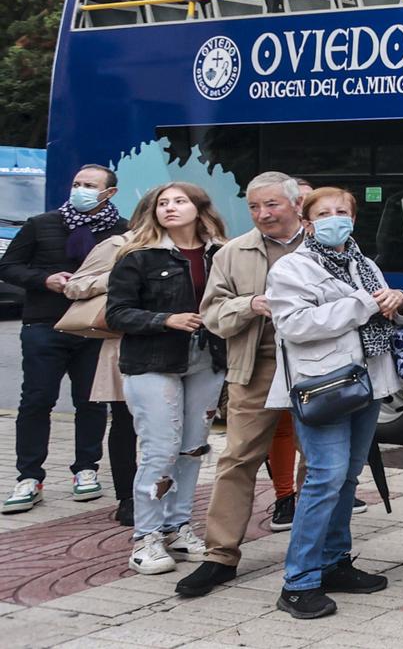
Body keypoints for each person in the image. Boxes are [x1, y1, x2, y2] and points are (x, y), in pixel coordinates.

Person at [264, 186, 403, 618]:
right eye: (324, 213)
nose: (335, 219)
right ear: (308, 223)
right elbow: (294, 324)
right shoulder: (293, 267)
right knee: (325, 477)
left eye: (342, 212)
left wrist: (398, 301)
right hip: (323, 384)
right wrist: (364, 304)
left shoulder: (364, 263)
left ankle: (334, 562)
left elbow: (388, 312)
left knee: (347, 476)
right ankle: (299, 582)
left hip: (365, 383)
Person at [175, 171, 308, 597]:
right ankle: (220, 557)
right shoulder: (233, 253)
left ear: (295, 205)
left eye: (272, 205)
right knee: (236, 460)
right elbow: (212, 314)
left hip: (317, 370)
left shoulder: (326, 244)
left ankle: (322, 552)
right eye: (254, 206)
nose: (263, 214)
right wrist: (249, 305)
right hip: (255, 368)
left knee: (324, 464)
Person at [104, 183, 229, 576]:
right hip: (152, 360)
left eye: (179, 201)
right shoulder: (137, 256)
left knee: (193, 447)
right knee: (160, 447)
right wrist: (165, 320)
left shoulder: (221, 254)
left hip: (206, 358)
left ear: (200, 208)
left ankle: (178, 527)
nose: (170, 208)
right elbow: (116, 313)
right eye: (162, 203)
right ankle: (146, 536)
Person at [1, 163, 126, 516]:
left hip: (95, 327)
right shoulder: (41, 224)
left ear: (109, 193)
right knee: (37, 400)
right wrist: (45, 280)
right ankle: (29, 477)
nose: (80, 189)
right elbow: (8, 267)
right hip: (45, 324)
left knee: (91, 401)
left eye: (89, 185)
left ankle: (86, 470)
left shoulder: (123, 231)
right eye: (77, 183)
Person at [61, 228, 138, 528]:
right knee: (125, 423)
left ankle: (168, 496)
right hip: (125, 343)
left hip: (184, 343)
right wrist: (119, 277)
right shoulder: (120, 244)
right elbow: (75, 285)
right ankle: (128, 498)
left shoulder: (206, 243)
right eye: (162, 204)